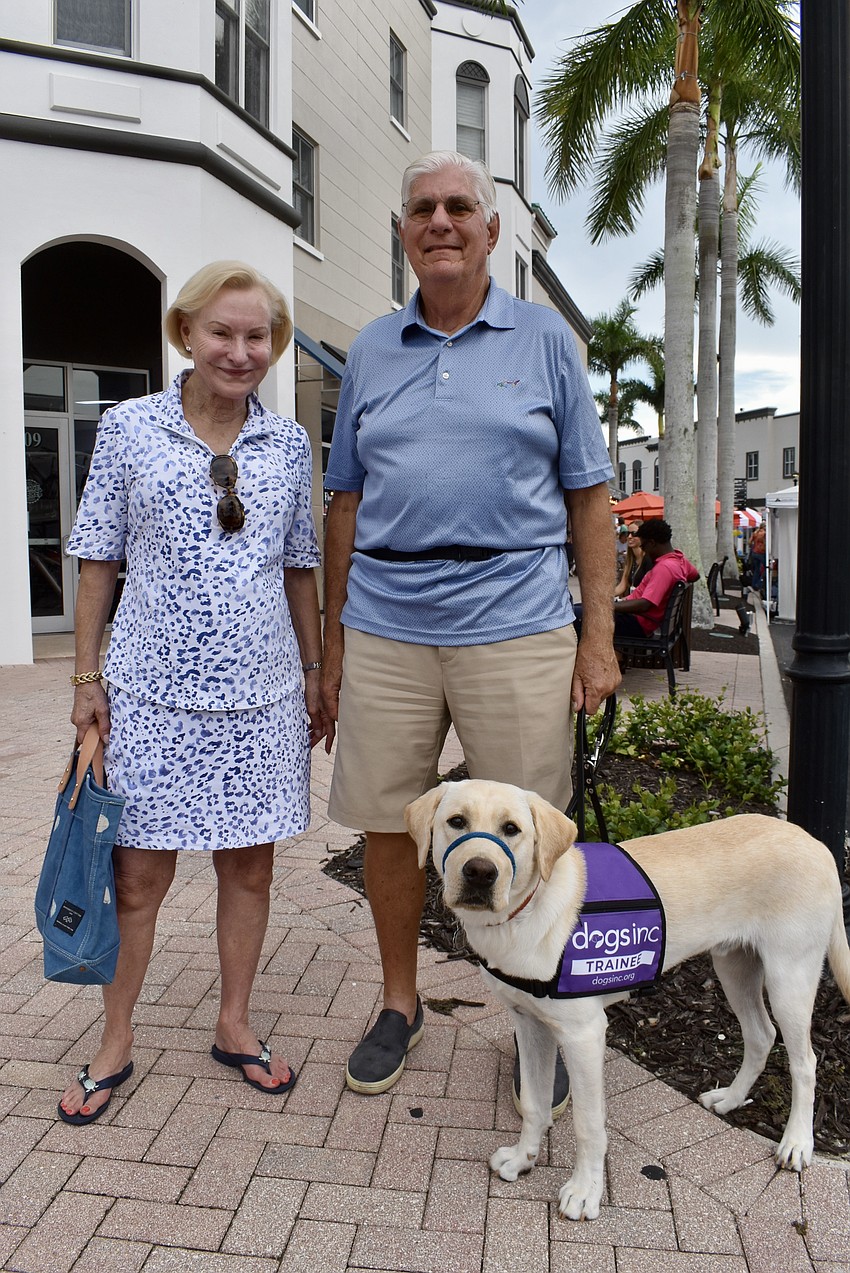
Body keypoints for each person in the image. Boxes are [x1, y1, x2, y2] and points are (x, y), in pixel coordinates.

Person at [321, 150, 620, 1102]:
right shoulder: (370, 347)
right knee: (383, 821)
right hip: (387, 624)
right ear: (404, 232)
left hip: (517, 622)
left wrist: (601, 638)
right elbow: (343, 502)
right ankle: (400, 1001)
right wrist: (329, 645)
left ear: (493, 230)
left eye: (460, 207)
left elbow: (590, 499)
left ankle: (534, 1012)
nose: (440, 221)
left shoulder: (543, 343)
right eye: (422, 209)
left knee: (531, 829)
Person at [57, 261, 330, 1125]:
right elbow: (98, 557)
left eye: (257, 337)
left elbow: (299, 564)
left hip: (262, 695)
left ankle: (234, 1022)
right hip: (148, 694)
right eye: (223, 332)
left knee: (250, 865)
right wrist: (85, 675)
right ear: (187, 333)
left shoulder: (288, 444)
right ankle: (115, 1039)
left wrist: (318, 669)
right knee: (137, 877)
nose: (239, 351)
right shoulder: (130, 428)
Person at [611, 519, 699, 637]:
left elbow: (645, 604)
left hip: (638, 622)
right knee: (581, 611)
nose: (644, 551)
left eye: (644, 546)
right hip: (639, 619)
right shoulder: (680, 560)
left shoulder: (664, 568)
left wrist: (609, 607)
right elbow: (695, 575)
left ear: (652, 543)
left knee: (583, 617)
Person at [613, 522, 651, 597]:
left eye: (634, 533)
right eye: (628, 533)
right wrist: (606, 596)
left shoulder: (648, 559)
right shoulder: (630, 559)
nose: (629, 537)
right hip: (632, 601)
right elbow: (622, 585)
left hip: (640, 602)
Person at [748, 523, 766, 594]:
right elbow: (765, 542)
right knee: (766, 569)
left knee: (756, 570)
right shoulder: (764, 534)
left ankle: (754, 584)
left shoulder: (755, 533)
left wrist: (753, 546)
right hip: (761, 552)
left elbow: (749, 542)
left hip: (754, 552)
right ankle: (759, 584)